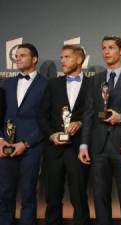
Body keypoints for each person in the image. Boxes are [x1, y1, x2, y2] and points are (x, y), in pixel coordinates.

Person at [78, 36, 121, 225]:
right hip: (98, 146)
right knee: (100, 197)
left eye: (111, 47)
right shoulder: (97, 79)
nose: (106, 51)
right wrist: (83, 144)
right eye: (103, 48)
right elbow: (89, 114)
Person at [38, 45, 90, 225]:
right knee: (52, 198)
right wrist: (52, 134)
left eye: (67, 57)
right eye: (61, 57)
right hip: (54, 150)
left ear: (79, 60)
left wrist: (81, 123)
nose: (62, 61)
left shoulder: (93, 84)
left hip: (78, 150)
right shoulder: (52, 84)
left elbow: (94, 115)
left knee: (79, 197)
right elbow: (42, 116)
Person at [0, 43, 48, 225]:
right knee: (4, 193)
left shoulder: (46, 85)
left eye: (22, 55)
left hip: (31, 148)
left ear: (34, 59)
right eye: (16, 55)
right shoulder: (7, 84)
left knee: (28, 195)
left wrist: (26, 143)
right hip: (5, 147)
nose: (17, 58)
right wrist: (0, 140)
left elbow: (45, 120)